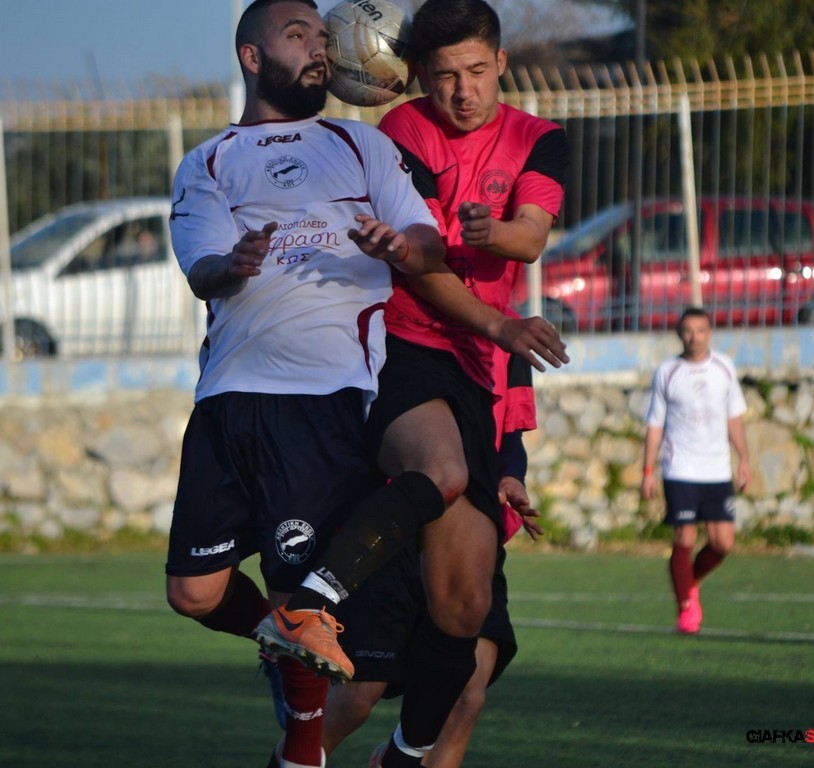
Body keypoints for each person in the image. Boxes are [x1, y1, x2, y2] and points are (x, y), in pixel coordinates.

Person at [255, 1, 570, 765]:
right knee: (439, 474)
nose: (463, 91)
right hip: (402, 347)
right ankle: (313, 601)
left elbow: (530, 237)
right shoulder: (404, 130)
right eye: (444, 76)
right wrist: (489, 313)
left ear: (501, 62)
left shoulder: (540, 137)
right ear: (419, 77)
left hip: (478, 371)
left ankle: (404, 756)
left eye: (476, 71)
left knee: (466, 617)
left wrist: (496, 236)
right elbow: (422, 262)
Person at [162, 2, 446, 767]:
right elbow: (201, 269)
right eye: (298, 37)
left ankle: (298, 752)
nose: (319, 50)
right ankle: (279, 638)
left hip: (322, 398)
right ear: (252, 58)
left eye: (323, 37)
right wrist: (233, 264)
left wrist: (401, 245)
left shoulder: (360, 145)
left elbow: (428, 241)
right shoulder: (209, 162)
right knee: (193, 593)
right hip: (227, 395)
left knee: (300, 598)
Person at [320, 340, 544, 767]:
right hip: (392, 534)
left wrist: (512, 477)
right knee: (356, 699)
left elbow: (511, 436)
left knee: (467, 698)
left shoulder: (511, 337)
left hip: (471, 532)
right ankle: (294, 756)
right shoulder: (398, 326)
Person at [641, 307, 751, 635]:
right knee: (684, 537)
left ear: (710, 333)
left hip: (717, 469)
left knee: (722, 543)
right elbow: (655, 425)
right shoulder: (667, 371)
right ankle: (686, 610)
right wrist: (648, 470)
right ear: (679, 334)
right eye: (688, 331)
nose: (694, 337)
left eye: (700, 330)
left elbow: (734, 418)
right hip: (680, 469)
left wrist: (744, 459)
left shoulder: (724, 368)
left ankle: (690, 581)